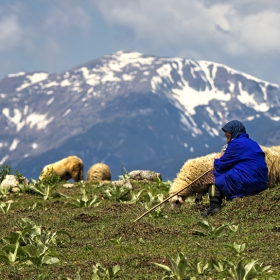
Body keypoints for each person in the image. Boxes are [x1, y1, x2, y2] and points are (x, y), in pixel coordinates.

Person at [201, 120, 268, 216]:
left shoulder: (236, 143)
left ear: (234, 132)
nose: (227, 140)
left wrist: (217, 160)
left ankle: (214, 206)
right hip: (261, 183)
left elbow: (221, 165)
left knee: (213, 175)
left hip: (248, 181)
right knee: (230, 173)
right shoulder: (253, 143)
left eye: (228, 136)